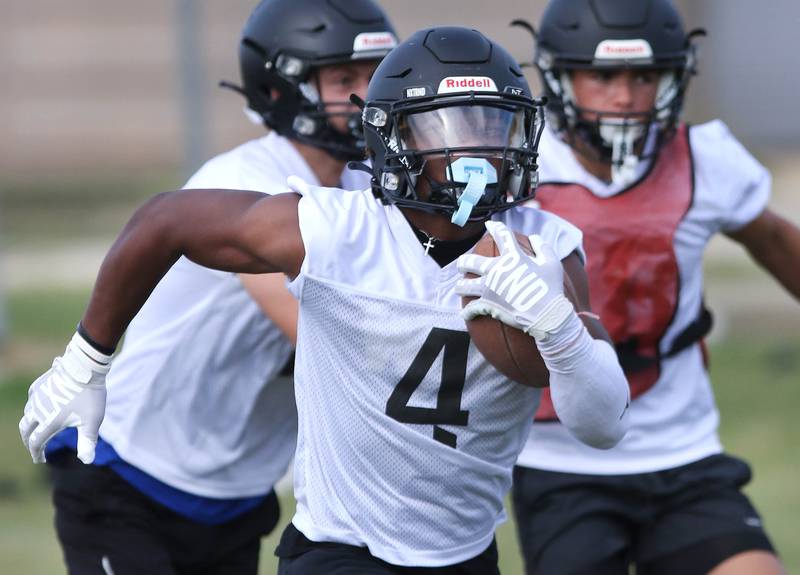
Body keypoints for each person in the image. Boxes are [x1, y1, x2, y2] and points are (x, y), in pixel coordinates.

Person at [20, 26, 631, 574]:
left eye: (491, 124)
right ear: (393, 140)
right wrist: (85, 360)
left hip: (465, 553)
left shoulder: (547, 249)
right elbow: (164, 221)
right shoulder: (340, 229)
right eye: (446, 125)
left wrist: (559, 328)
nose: (474, 149)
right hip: (342, 550)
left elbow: (600, 423)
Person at [32, 1, 398, 573]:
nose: (366, 95)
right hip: (130, 476)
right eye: (344, 78)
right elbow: (327, 334)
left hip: (235, 496)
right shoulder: (247, 184)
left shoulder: (373, 190)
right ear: (281, 88)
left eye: (377, 76)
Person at [511, 1, 800, 574]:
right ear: (560, 75)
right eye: (603, 75)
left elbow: (773, 241)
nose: (624, 96)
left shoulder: (705, 158)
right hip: (560, 459)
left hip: (683, 450)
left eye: (643, 76)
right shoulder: (517, 166)